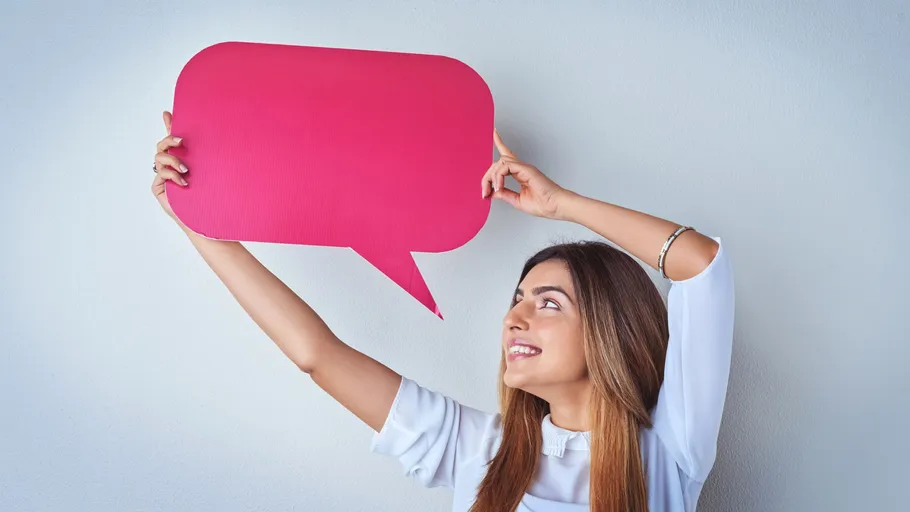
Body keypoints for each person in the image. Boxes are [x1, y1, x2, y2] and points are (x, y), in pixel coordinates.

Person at [151, 111, 735, 512]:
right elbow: (317, 355)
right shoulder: (479, 451)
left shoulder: (668, 449)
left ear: (610, 330)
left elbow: (700, 263)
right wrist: (196, 217)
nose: (515, 319)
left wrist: (563, 205)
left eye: (548, 303)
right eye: (517, 300)